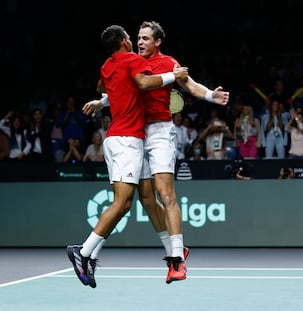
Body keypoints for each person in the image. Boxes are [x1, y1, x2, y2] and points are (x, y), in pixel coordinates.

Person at [82, 21, 229, 285]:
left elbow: (190, 84)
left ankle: (177, 261)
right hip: (135, 134)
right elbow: (124, 89)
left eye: (146, 38)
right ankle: (172, 250)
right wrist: (100, 102)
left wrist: (210, 96)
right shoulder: (131, 61)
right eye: (138, 37)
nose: (140, 42)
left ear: (157, 42)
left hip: (160, 132)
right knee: (147, 199)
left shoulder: (168, 62)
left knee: (164, 192)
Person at [66, 24, 189, 289]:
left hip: (118, 139)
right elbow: (144, 82)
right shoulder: (133, 60)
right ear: (124, 41)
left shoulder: (108, 65)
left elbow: (104, 84)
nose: (136, 41)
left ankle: (172, 253)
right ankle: (84, 251)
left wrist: (103, 100)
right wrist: (172, 75)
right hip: (127, 140)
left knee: (146, 197)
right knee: (122, 204)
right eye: (132, 38)